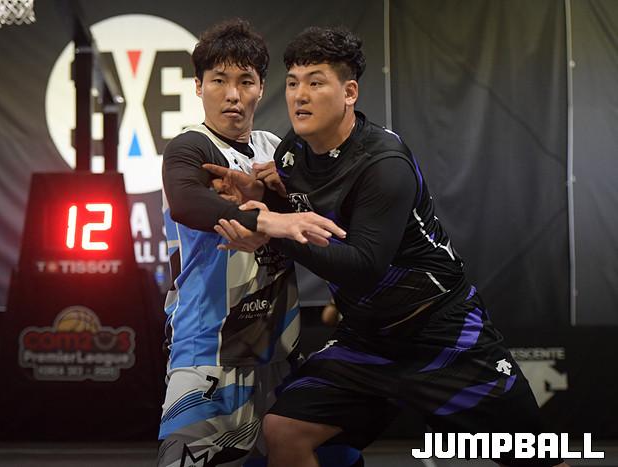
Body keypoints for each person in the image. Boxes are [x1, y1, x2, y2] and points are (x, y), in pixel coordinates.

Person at [208, 26, 569, 467]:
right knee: (284, 431)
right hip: (367, 342)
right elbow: (308, 215)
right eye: (293, 83)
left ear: (349, 92)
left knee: (537, 459)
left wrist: (273, 228)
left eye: (316, 83)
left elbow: (363, 266)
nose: (300, 95)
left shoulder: (383, 163)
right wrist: (263, 196)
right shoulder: (291, 154)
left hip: (442, 334)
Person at [157, 19, 345, 467]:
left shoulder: (275, 149)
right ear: (198, 86)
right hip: (209, 347)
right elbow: (186, 202)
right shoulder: (190, 147)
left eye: (245, 81)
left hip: (278, 345)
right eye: (219, 81)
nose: (233, 95)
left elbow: (325, 216)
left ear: (261, 88)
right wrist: (269, 220)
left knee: (320, 454)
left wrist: (282, 193)